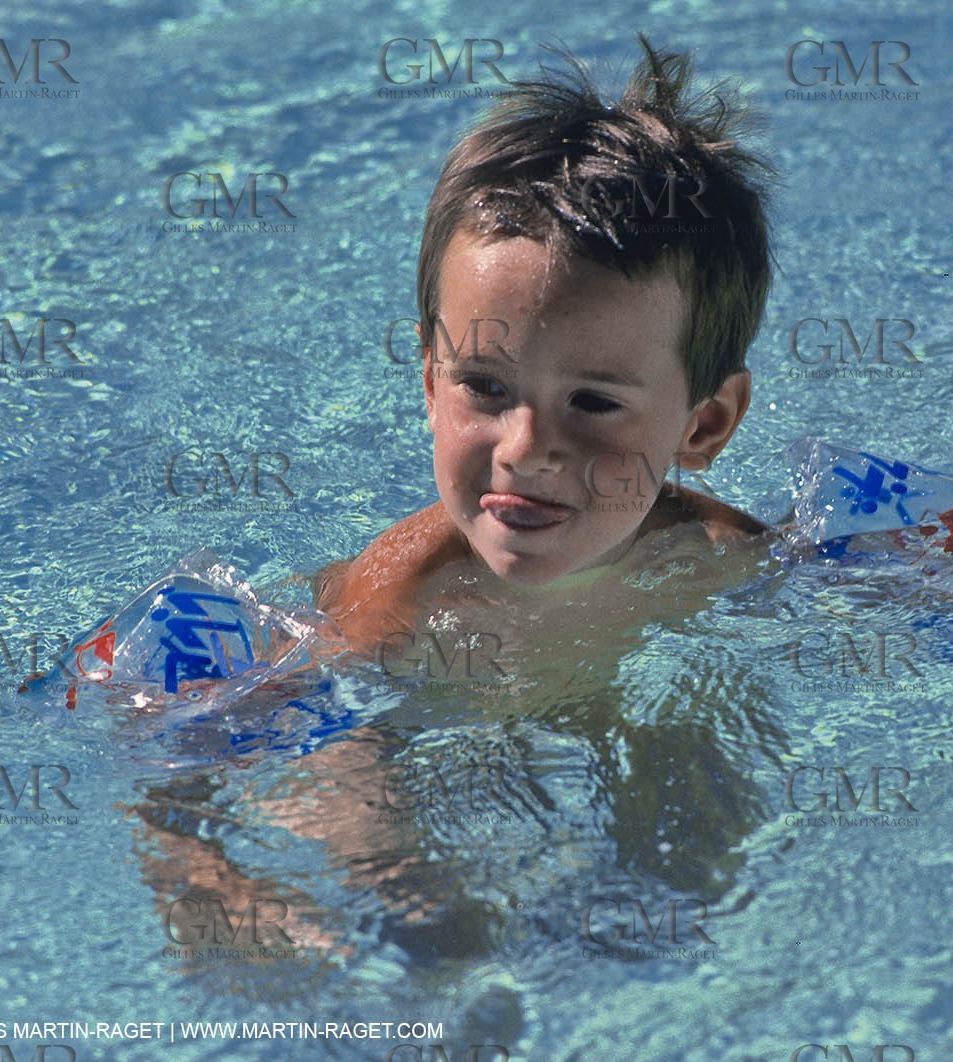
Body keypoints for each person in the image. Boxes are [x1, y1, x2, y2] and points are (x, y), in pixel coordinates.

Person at [318, 36, 777, 664]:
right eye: (483, 386)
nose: (526, 450)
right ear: (430, 384)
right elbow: (334, 745)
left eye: (591, 401)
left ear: (704, 424)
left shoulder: (718, 552)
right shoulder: (398, 599)